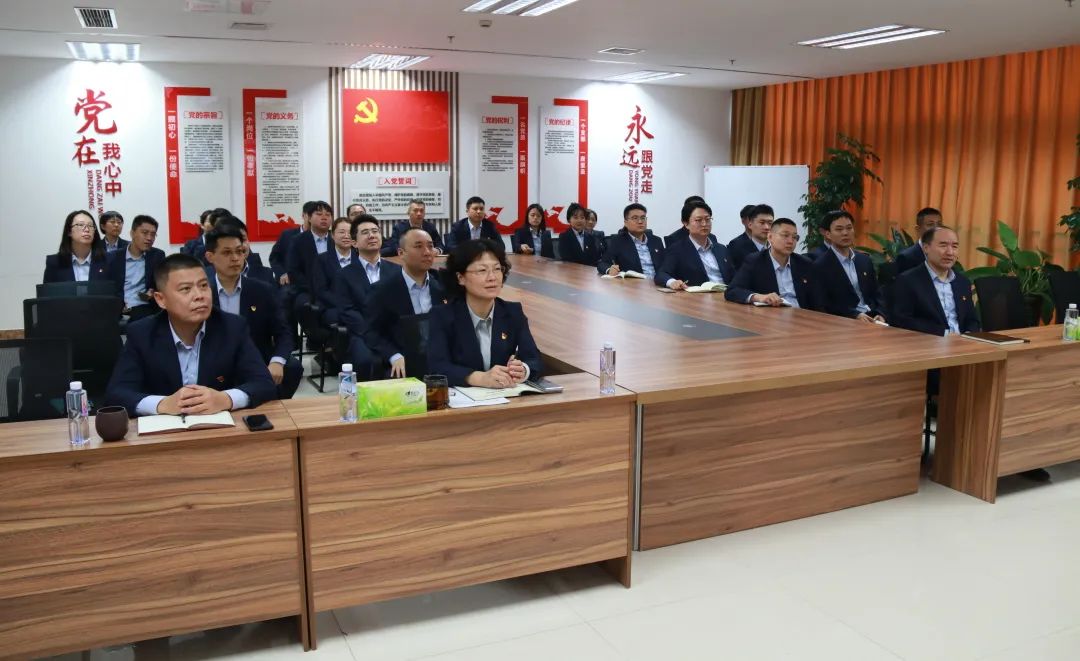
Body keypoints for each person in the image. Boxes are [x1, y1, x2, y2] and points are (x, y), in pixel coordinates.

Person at [104, 253, 277, 417]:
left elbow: (264, 384)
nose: (199, 296)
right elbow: (117, 393)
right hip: (163, 432)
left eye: (203, 286)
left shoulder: (232, 327)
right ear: (161, 299)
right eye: (186, 289)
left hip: (218, 428)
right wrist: (162, 404)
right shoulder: (142, 333)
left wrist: (225, 399)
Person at [203, 225, 303, 399]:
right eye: (227, 253)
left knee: (292, 368)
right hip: (214, 363)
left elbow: (283, 332)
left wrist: (277, 361)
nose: (235, 258)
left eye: (239, 251)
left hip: (255, 360)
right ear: (210, 257)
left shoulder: (262, 290)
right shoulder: (202, 293)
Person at [428, 239, 542, 388]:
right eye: (482, 271)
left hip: (506, 397)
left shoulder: (512, 312)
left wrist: (523, 370)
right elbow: (437, 367)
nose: (492, 277)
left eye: (497, 269)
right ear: (460, 278)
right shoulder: (442, 315)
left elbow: (534, 359)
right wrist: (478, 378)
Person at [363, 227, 446, 379]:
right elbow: (371, 332)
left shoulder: (442, 286)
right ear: (401, 253)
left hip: (440, 359)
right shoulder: (383, 290)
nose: (427, 252)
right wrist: (393, 356)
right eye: (419, 246)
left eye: (430, 246)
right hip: (404, 359)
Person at [333, 215, 402, 379]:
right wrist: (372, 332)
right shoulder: (344, 275)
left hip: (393, 331)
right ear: (354, 243)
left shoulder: (396, 270)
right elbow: (347, 311)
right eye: (365, 232)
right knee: (367, 361)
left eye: (375, 231)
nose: (372, 235)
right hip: (361, 332)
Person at [890, 226, 979, 336]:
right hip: (929, 342)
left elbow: (972, 320)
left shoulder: (962, 282)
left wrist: (969, 335)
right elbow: (902, 320)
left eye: (954, 246)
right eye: (943, 245)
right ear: (926, 248)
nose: (950, 252)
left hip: (964, 342)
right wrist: (944, 334)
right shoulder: (908, 281)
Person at [725, 217, 822, 310]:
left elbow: (817, 299)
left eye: (794, 237)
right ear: (770, 237)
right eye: (785, 235)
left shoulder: (804, 263)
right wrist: (758, 297)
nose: (790, 241)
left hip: (802, 315)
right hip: (772, 315)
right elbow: (732, 290)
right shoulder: (755, 261)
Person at [814, 210, 886, 323]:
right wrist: (855, 315)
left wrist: (880, 313)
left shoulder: (864, 260)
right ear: (828, 234)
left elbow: (877, 293)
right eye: (839, 229)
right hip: (845, 321)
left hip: (872, 317)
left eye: (849, 228)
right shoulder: (820, 265)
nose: (845, 233)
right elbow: (825, 304)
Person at [654, 200, 734, 289]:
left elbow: (733, 276)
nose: (704, 224)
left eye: (707, 219)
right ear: (686, 224)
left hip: (726, 294)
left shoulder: (721, 249)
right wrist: (672, 282)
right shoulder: (677, 250)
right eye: (698, 220)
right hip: (700, 295)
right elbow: (661, 274)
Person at [106, 214, 166, 321]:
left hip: (144, 307)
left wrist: (152, 292)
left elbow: (162, 283)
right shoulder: (113, 257)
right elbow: (108, 287)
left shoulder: (157, 256)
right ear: (132, 233)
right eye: (145, 233)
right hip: (118, 308)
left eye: (153, 234)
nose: (149, 238)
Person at [286, 200, 334, 314]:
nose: (324, 218)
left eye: (328, 215)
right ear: (309, 218)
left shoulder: (336, 239)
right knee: (305, 307)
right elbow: (293, 270)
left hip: (333, 289)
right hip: (307, 290)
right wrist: (312, 288)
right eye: (319, 214)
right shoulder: (298, 240)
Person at [598, 203, 665, 279]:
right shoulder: (618, 241)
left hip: (658, 283)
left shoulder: (656, 241)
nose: (640, 221)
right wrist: (609, 269)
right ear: (626, 223)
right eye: (635, 218)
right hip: (634, 284)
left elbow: (665, 266)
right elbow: (602, 264)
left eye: (643, 218)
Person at [43, 210, 110, 283]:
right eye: (80, 225)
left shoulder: (108, 260)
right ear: (69, 231)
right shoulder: (54, 262)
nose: (87, 229)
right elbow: (48, 290)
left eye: (90, 225)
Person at [894, 207, 945, 274]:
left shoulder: (946, 254)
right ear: (918, 229)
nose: (936, 228)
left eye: (939, 224)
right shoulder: (906, 257)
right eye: (930, 224)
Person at [557, 202, 602, 267]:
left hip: (589, 271)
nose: (579, 220)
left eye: (582, 217)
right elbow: (567, 260)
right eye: (575, 217)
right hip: (572, 271)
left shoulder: (590, 237)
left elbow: (594, 259)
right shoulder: (564, 237)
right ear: (569, 220)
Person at [727, 204, 770, 270]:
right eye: (749, 218)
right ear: (743, 221)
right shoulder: (735, 244)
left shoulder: (772, 243)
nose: (766, 227)